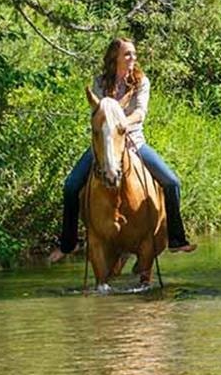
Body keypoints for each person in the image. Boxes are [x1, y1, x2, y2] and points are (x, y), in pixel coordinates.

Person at [49, 38, 196, 262]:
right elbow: (98, 113)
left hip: (134, 142)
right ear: (114, 57)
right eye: (127, 54)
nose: (132, 59)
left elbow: (140, 112)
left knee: (172, 182)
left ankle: (176, 239)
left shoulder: (141, 82)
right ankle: (67, 244)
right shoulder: (100, 82)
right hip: (104, 144)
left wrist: (124, 123)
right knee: (70, 186)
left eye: (133, 54)